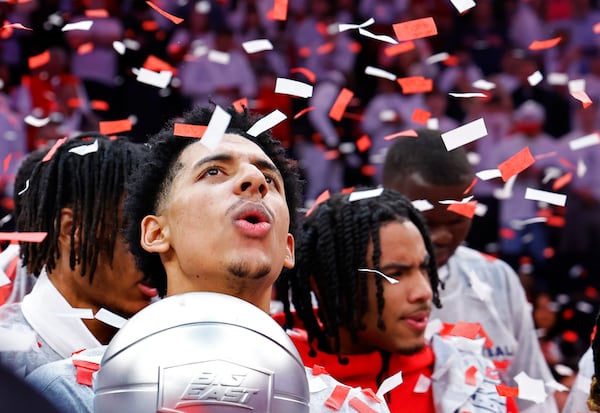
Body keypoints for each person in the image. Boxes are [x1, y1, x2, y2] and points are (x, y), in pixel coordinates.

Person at [26, 105, 389, 413]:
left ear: (288, 248)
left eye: (269, 179)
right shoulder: (61, 393)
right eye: (214, 171)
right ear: (155, 233)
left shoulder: (352, 408)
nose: (254, 181)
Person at [279, 188, 511, 412]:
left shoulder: (471, 377)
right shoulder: (275, 381)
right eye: (394, 274)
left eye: (424, 268)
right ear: (326, 283)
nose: (424, 291)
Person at [382, 128, 559, 413]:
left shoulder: (497, 278)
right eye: (427, 221)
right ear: (388, 202)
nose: (442, 237)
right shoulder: (361, 284)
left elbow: (534, 397)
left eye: (456, 221)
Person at [0, 133, 156, 378]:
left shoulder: (171, 349)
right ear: (71, 229)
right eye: (133, 228)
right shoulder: (7, 360)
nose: (155, 247)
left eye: (160, 229)